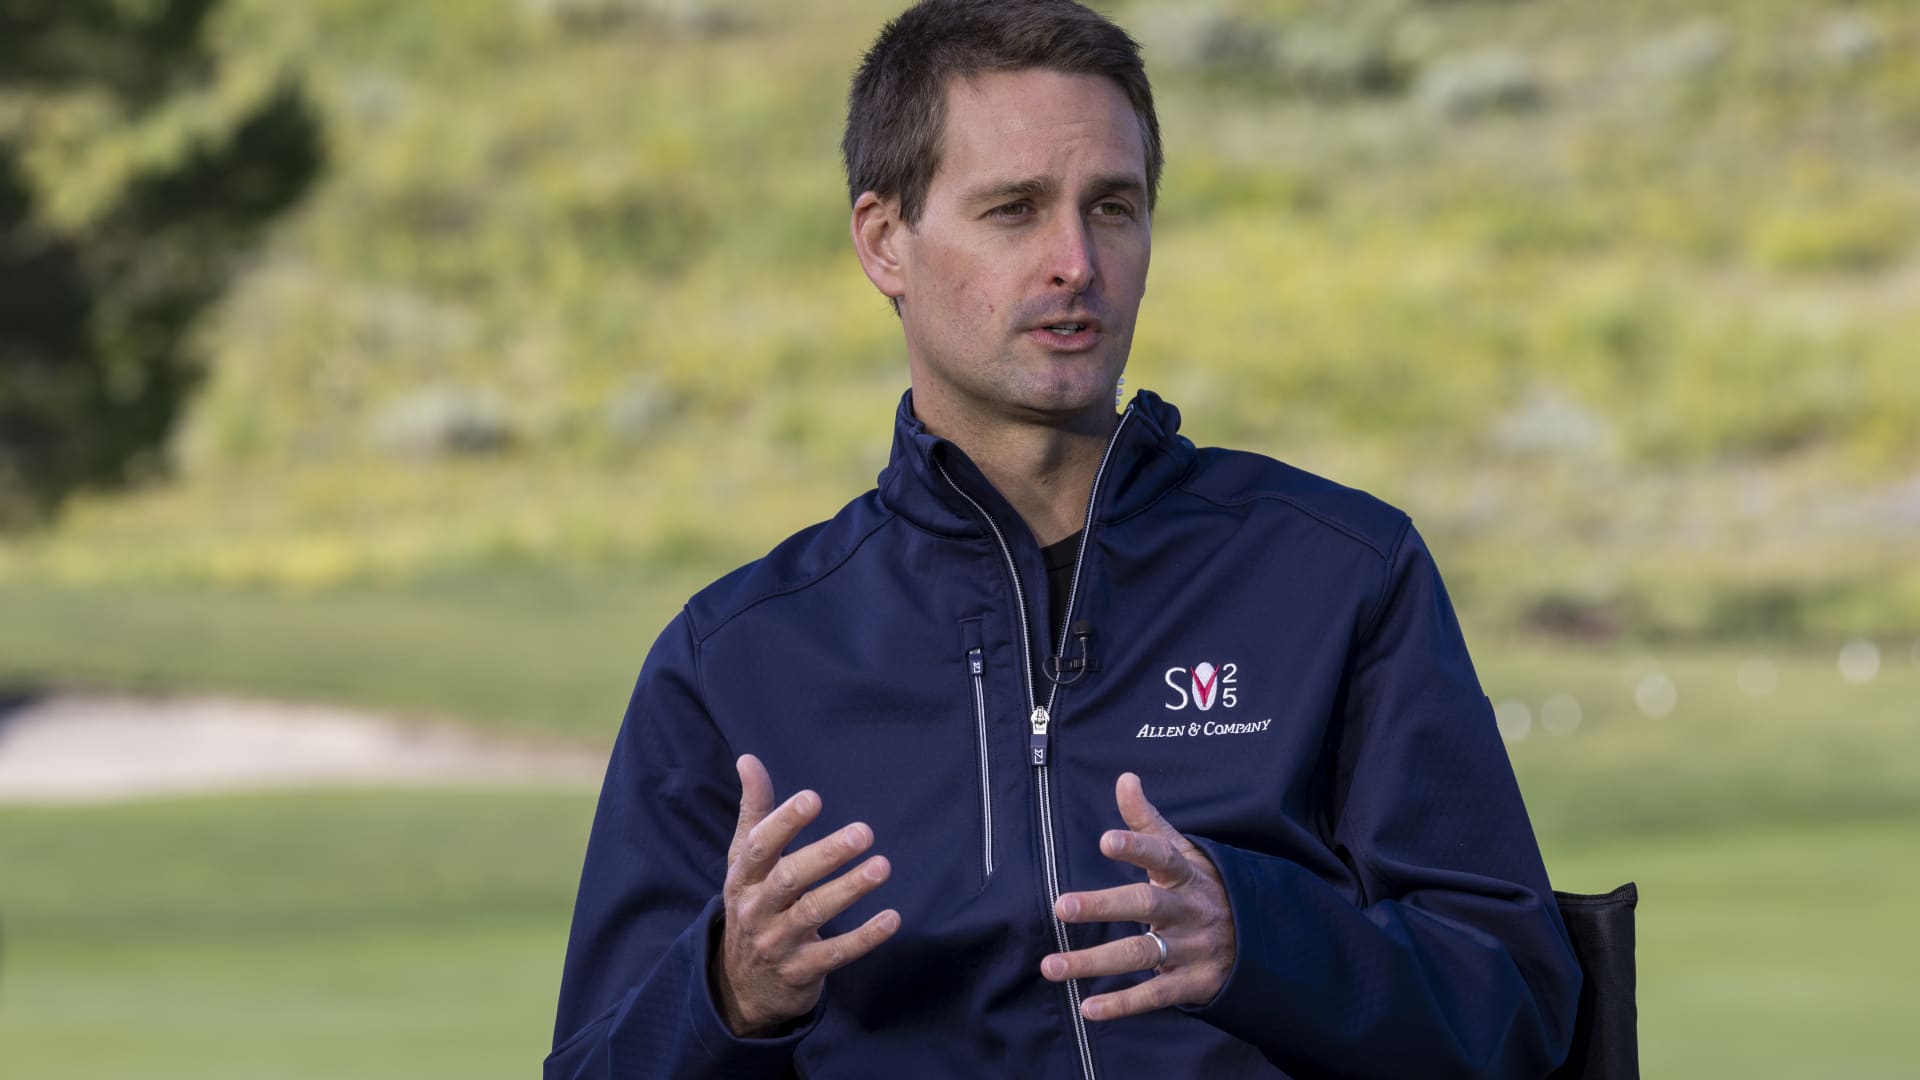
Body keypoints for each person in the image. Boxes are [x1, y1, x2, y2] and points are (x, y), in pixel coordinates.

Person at [546, 1, 1583, 1076]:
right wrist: (730, 994)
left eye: (1113, 208)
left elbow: (1518, 1014)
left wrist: (1266, 942)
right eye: (1015, 209)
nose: (1076, 261)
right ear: (885, 241)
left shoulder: (1341, 576)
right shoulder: (734, 661)